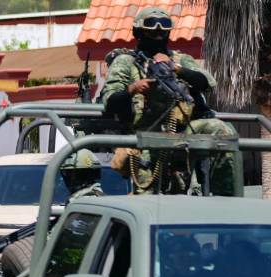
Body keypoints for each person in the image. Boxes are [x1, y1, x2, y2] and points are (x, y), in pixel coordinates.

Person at [101, 7, 238, 196]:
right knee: (149, 201)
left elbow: (207, 83)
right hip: (145, 138)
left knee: (222, 130)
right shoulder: (126, 62)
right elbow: (110, 101)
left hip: (182, 133)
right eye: (152, 29)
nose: (158, 34)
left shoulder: (180, 59)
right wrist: (133, 88)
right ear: (139, 32)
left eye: (163, 29)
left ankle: (226, 198)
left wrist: (177, 69)